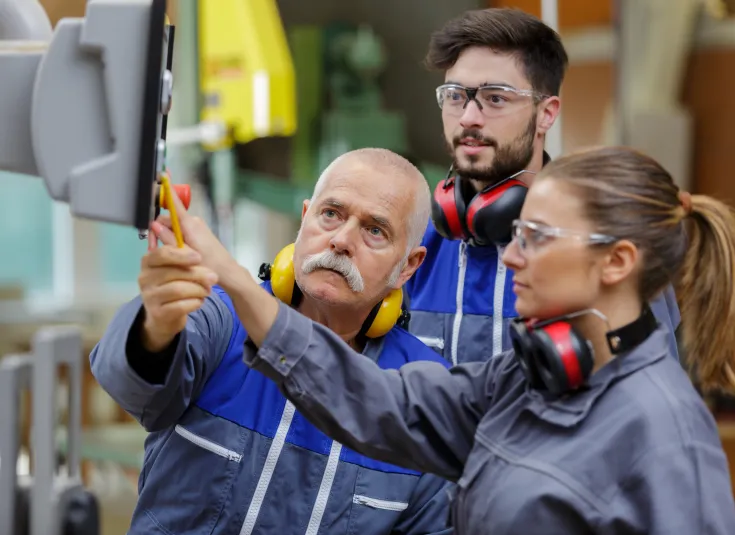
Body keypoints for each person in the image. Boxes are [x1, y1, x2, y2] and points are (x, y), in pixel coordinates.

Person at [153, 146, 735, 534]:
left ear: (617, 262)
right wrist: (229, 278)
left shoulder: (668, 441)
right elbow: (379, 402)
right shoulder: (524, 378)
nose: (510, 256)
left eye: (535, 237)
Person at [89, 148, 454, 535]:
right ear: (304, 219)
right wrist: (157, 327)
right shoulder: (220, 318)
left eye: (374, 230)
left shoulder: (422, 394)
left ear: (409, 266)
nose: (342, 240)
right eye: (331, 214)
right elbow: (127, 384)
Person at [404, 8, 682, 365]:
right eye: (456, 95)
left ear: (547, 113)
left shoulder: (606, 254)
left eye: (496, 97)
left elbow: (646, 403)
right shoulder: (417, 249)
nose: (469, 117)